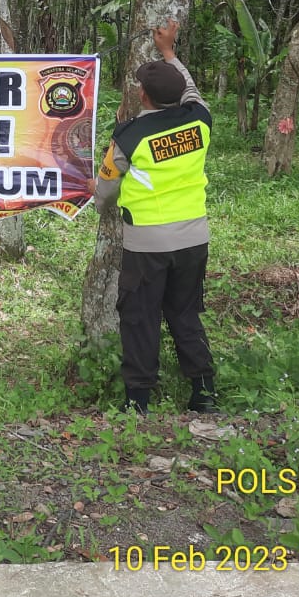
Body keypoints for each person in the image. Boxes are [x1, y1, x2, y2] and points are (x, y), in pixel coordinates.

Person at [90, 21, 218, 415]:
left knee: (140, 317)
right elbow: (191, 87)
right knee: (185, 313)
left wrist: (117, 135)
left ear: (141, 95)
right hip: (194, 238)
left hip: (147, 244)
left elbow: (104, 193)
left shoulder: (129, 137)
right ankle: (203, 393)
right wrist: (169, 52)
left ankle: (138, 399)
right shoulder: (200, 119)